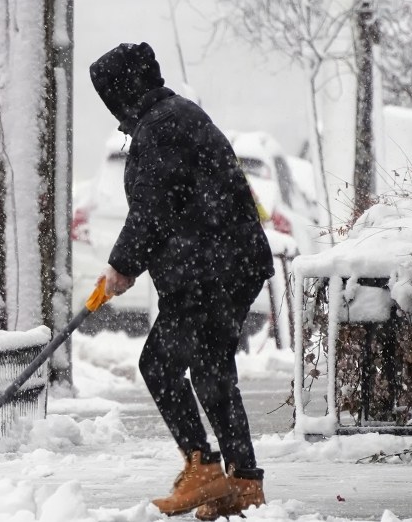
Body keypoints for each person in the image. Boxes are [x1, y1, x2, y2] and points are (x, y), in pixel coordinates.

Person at [88, 42, 275, 519]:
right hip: (221, 264)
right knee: (212, 369)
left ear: (124, 90)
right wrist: (128, 264)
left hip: (210, 268)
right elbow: (166, 206)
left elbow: (154, 210)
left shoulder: (164, 125)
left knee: (159, 365)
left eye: (110, 94)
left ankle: (204, 468)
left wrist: (123, 266)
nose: (110, 107)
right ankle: (243, 482)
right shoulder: (170, 117)